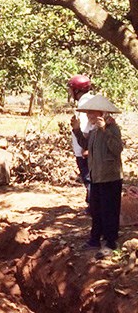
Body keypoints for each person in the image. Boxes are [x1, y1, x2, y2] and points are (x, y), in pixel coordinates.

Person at [77, 95, 124, 259]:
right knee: (96, 210)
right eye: (88, 113)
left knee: (109, 210)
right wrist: (76, 129)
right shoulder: (94, 130)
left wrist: (105, 130)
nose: (89, 116)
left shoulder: (112, 128)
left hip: (110, 177)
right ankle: (95, 239)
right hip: (96, 175)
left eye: (91, 112)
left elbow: (117, 149)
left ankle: (111, 242)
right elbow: (85, 145)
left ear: (100, 113)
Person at [68, 75, 94, 211]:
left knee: (89, 178)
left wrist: (85, 147)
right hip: (89, 147)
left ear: (76, 90)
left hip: (84, 148)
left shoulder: (84, 104)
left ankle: (92, 206)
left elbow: (85, 128)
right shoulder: (91, 100)